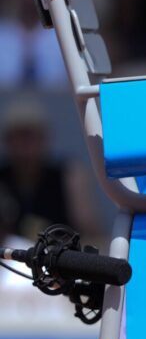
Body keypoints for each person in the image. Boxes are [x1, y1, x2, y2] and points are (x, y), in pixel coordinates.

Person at [0, 100, 104, 243]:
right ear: (7, 141)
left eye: (29, 138)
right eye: (17, 138)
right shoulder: (3, 181)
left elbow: (90, 232)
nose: (23, 147)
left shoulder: (68, 176)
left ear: (44, 139)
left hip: (58, 259)